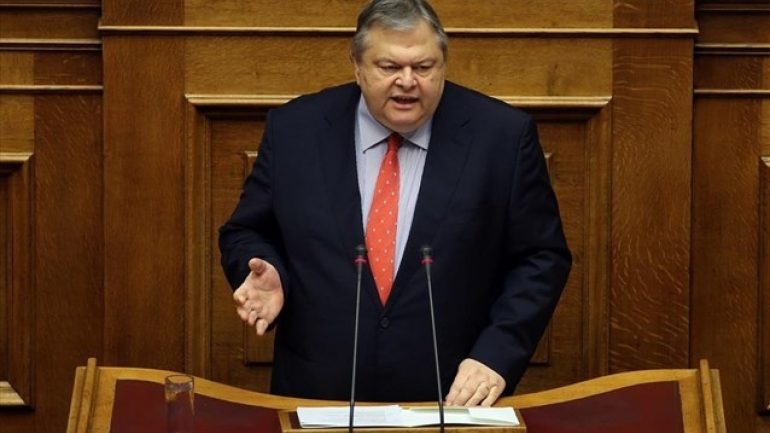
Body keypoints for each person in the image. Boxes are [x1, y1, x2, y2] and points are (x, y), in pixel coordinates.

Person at [219, 0, 571, 406]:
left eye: (423, 67)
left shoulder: (502, 137)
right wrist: (270, 271)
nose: (407, 82)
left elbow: (541, 257)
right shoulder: (296, 130)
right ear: (357, 66)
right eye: (389, 67)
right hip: (319, 393)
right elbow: (246, 230)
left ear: (444, 64)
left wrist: (495, 355)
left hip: (451, 397)